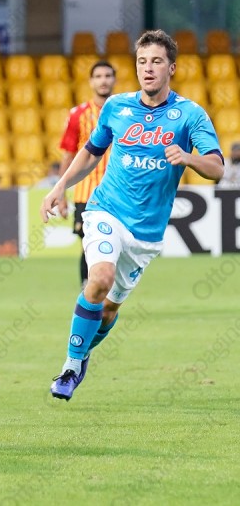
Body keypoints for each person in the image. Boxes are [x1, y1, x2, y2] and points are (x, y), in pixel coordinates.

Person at [40, 29, 224, 401]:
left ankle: (83, 351)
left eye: (156, 61)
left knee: (108, 310)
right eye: (142, 62)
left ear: (172, 68)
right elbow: (91, 152)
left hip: (146, 233)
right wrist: (60, 186)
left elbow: (217, 168)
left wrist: (188, 158)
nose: (148, 68)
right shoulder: (117, 107)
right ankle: (70, 367)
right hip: (105, 210)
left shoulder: (190, 115)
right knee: (99, 278)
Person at [58, 61, 116, 288]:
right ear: (91, 81)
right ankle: (88, 291)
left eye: (108, 75)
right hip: (87, 193)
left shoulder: (125, 112)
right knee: (90, 246)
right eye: (98, 76)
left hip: (118, 192)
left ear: (114, 80)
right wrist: (61, 193)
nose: (103, 80)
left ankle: (110, 294)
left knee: (117, 247)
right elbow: (68, 156)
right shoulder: (78, 115)